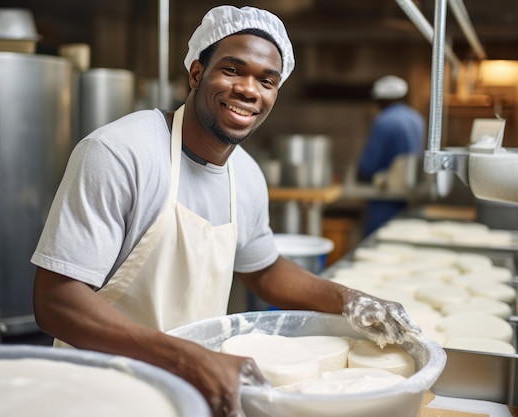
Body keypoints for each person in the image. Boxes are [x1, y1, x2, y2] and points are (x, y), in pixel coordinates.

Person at [32, 6, 421, 417]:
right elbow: (57, 302)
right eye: (234, 70)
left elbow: (264, 269)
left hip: (195, 391)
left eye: (266, 81)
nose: (250, 90)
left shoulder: (246, 176)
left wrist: (348, 299)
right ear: (197, 74)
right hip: (99, 392)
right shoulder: (120, 153)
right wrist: (188, 357)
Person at [357, 75, 426, 236]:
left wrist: (362, 175)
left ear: (382, 100)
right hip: (411, 194)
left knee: (377, 241)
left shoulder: (384, 121)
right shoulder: (417, 119)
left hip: (386, 199)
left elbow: (368, 166)